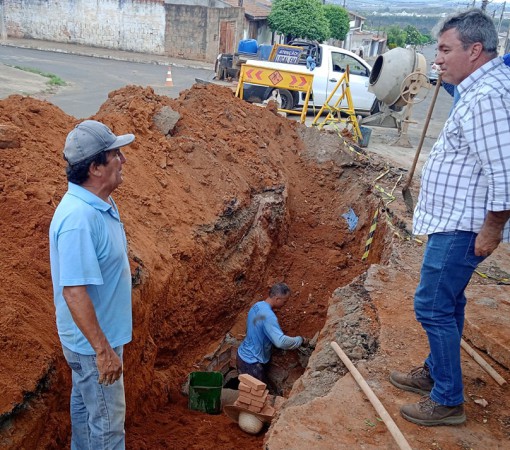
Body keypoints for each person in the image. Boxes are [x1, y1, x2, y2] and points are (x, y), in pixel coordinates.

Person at [390, 9, 510, 427]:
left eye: (445, 49)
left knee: (432, 305)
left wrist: (493, 227)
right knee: (448, 301)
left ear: (475, 50)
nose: (436, 58)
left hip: (463, 225)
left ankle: (447, 399)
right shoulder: (478, 88)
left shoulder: (487, 96)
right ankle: (436, 373)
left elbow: (504, 169)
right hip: (455, 219)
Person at [49, 120, 136, 448]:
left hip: (95, 340)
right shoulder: (78, 220)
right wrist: (103, 351)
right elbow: (73, 291)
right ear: (96, 167)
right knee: (108, 429)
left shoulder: (99, 204)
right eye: (116, 155)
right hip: (93, 346)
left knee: (86, 415)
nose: (123, 161)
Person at [237, 283, 307, 391]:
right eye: (284, 301)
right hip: (252, 363)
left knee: (250, 392)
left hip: (242, 355)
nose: (285, 304)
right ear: (277, 298)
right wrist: (300, 340)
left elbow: (252, 328)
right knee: (256, 396)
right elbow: (280, 342)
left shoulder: (257, 306)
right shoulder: (269, 316)